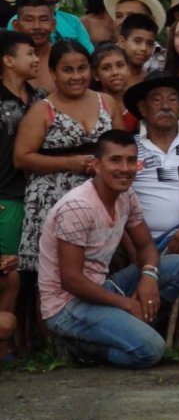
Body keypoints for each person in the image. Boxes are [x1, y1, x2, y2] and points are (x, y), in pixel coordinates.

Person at [37, 129, 179, 367]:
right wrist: (127, 304)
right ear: (96, 165)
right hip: (68, 305)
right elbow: (72, 281)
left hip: (102, 288)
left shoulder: (126, 195)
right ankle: (80, 349)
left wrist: (149, 276)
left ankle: (138, 325)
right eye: (115, 160)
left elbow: (146, 245)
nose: (124, 168)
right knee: (150, 350)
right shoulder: (78, 207)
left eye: (130, 160)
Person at [14, 40, 122, 275]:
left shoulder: (107, 102)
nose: (76, 76)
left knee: (98, 271)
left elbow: (122, 148)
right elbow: (21, 158)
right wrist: (68, 163)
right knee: (52, 277)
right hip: (52, 202)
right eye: (67, 70)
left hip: (99, 199)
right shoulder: (42, 110)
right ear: (52, 73)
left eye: (82, 68)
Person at [0, 31, 45, 359]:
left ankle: (26, 339)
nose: (35, 59)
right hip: (6, 195)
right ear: (8, 60)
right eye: (28, 53)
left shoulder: (40, 97)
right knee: (9, 271)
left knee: (29, 272)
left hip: (36, 195)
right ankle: (6, 342)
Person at [124, 75, 179, 254]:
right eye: (157, 99)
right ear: (143, 108)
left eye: (172, 99)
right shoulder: (129, 148)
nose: (166, 106)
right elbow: (117, 202)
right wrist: (136, 253)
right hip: (142, 244)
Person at [11, 0, 57, 94]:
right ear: (16, 26)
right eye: (29, 20)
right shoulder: (6, 60)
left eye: (43, 20)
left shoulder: (63, 56)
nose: (37, 26)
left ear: (53, 25)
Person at [91, 44, 139, 132]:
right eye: (106, 68)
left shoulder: (136, 104)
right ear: (96, 75)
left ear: (128, 69)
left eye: (120, 66)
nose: (115, 72)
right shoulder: (92, 106)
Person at [117, 13, 159, 90]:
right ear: (122, 42)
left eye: (149, 43)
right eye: (137, 41)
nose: (144, 48)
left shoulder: (152, 82)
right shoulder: (111, 79)